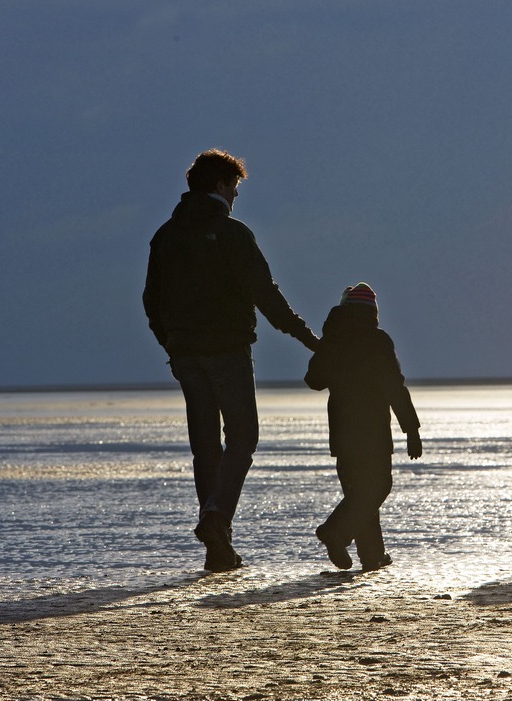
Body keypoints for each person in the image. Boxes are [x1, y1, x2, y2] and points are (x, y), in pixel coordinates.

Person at [142, 148, 320, 572]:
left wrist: (171, 344)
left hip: (185, 354)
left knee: (205, 448)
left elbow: (151, 300)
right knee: (242, 437)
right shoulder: (232, 232)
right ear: (221, 185)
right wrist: (308, 338)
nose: (237, 196)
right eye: (235, 187)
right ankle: (216, 518)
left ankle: (217, 549)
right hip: (226, 349)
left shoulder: (165, 235)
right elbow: (266, 295)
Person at [305, 283, 422, 572]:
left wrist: (329, 346)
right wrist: (411, 429)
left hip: (343, 433)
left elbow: (314, 379)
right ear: (373, 313)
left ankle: (372, 556)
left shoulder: (334, 340)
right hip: (374, 433)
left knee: (360, 494)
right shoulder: (378, 341)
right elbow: (395, 386)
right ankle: (335, 532)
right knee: (377, 487)